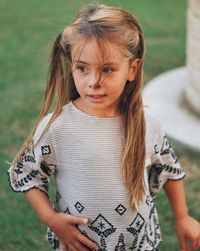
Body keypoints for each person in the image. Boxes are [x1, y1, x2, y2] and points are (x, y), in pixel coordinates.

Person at [8, 3, 200, 251]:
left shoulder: (145, 123)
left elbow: (169, 169)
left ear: (132, 69)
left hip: (139, 244)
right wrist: (50, 218)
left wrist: (182, 216)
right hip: (82, 244)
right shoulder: (58, 128)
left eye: (107, 69)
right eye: (82, 68)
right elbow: (27, 173)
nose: (93, 82)